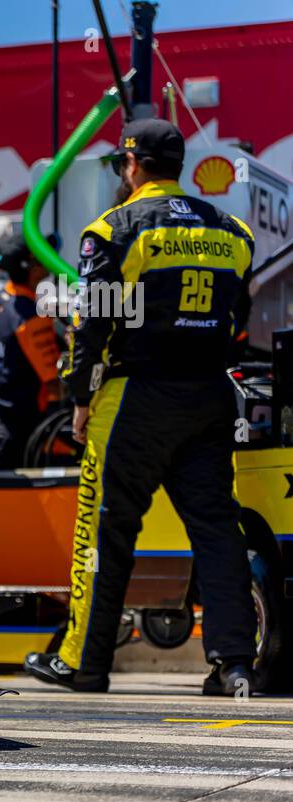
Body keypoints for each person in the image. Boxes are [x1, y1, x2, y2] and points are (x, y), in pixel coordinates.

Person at [24, 118, 258, 696]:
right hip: (207, 393)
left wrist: (78, 397)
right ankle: (234, 664)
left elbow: (92, 323)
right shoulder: (233, 231)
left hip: (135, 396)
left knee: (103, 530)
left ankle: (84, 662)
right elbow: (239, 321)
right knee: (217, 529)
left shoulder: (111, 230)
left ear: (131, 166)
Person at [0, 234, 62, 470]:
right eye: (45, 258)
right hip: (14, 426)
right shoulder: (30, 316)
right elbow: (53, 381)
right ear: (33, 269)